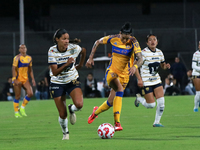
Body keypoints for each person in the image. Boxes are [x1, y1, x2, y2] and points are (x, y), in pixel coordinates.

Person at [86, 22, 143, 131]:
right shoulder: (113, 38)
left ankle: (95, 113)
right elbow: (97, 42)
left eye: (127, 38)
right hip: (111, 72)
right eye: (123, 38)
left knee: (110, 102)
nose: (125, 40)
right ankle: (117, 123)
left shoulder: (133, 41)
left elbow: (140, 58)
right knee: (119, 89)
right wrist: (90, 57)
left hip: (125, 75)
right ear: (120, 33)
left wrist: (135, 66)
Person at [48, 29, 86, 140]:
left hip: (72, 80)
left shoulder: (73, 48)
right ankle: (65, 133)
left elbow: (83, 51)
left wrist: (80, 65)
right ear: (57, 39)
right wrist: (67, 64)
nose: (66, 41)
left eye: (68, 39)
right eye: (64, 39)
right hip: (57, 82)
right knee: (62, 114)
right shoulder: (52, 51)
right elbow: (54, 72)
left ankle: (72, 109)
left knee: (79, 105)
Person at [134, 34, 170, 127]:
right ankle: (139, 99)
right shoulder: (143, 53)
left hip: (157, 80)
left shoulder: (159, 52)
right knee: (151, 105)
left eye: (154, 39)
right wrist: (139, 79)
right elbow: (134, 67)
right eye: (150, 40)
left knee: (161, 103)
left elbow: (162, 66)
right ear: (147, 42)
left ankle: (157, 122)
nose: (153, 41)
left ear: (157, 42)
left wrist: (165, 67)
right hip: (146, 82)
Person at [12, 44, 36, 118]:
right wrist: (14, 79)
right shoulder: (17, 58)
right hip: (18, 79)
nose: (23, 49)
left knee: (30, 93)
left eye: (24, 48)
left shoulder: (29, 58)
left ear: (26, 49)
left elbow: (30, 69)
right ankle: (16, 112)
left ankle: (22, 108)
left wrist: (33, 79)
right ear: (19, 50)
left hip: (25, 79)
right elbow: (13, 68)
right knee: (17, 96)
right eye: (21, 48)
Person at [192, 41, 200, 112]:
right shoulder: (196, 54)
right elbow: (193, 66)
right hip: (197, 74)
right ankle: (196, 107)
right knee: (198, 92)